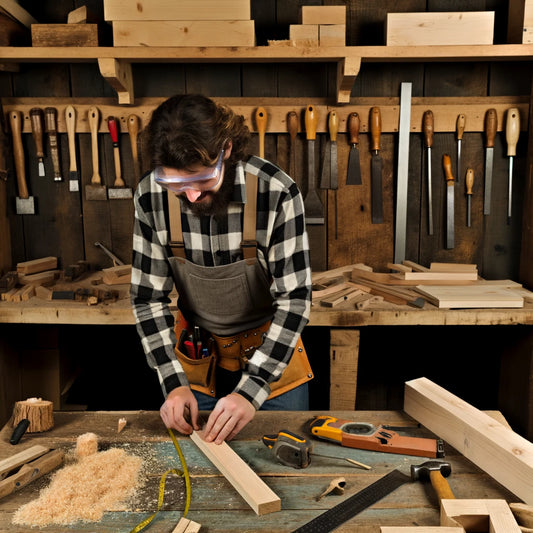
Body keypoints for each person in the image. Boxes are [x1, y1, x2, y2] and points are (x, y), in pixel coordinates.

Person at [131, 94, 313, 445]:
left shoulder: (276, 192)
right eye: (176, 185)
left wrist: (252, 389)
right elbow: (146, 298)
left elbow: (295, 299)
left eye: (202, 180)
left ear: (226, 150)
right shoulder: (150, 196)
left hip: (272, 364)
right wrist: (172, 381)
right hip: (197, 363)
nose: (192, 196)